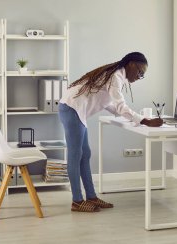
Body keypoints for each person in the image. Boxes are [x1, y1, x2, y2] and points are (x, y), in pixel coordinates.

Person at [59, 52, 163, 212]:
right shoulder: (116, 76)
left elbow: (109, 103)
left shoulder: (115, 76)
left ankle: (91, 196)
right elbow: (120, 105)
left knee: (85, 154)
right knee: (75, 155)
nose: (139, 77)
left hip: (77, 110)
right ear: (132, 64)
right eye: (140, 72)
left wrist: (132, 117)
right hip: (72, 109)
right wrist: (144, 120)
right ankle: (77, 201)